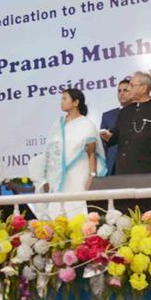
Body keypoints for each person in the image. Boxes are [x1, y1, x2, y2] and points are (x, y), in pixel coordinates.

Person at [37, 88, 106, 218]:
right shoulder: (57, 124)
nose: (61, 102)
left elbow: (91, 154)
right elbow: (50, 152)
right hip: (58, 177)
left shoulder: (86, 124)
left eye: (64, 99)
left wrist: (92, 176)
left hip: (79, 174)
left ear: (75, 102)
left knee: (77, 211)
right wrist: (46, 177)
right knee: (57, 214)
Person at [101, 71, 151, 175]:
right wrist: (107, 137)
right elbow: (115, 139)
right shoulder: (124, 112)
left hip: (148, 172)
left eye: (131, 85)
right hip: (122, 172)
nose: (129, 88)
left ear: (143, 88)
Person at [99, 78, 131, 167]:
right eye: (119, 91)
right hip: (113, 164)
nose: (121, 93)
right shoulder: (107, 116)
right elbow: (102, 145)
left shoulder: (140, 113)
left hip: (134, 164)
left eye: (125, 90)